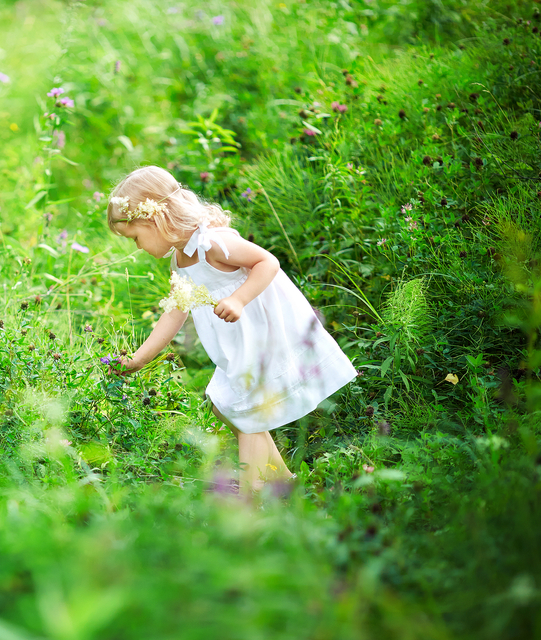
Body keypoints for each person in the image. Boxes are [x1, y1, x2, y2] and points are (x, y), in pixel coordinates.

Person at [106, 165, 357, 497]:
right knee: (224, 406)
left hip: (264, 334)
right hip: (240, 346)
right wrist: (139, 358)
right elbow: (175, 312)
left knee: (248, 414)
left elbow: (267, 262)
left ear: (155, 219)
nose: (137, 247)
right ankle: (284, 482)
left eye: (135, 237)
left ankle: (250, 502)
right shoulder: (181, 259)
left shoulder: (212, 243)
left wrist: (238, 299)